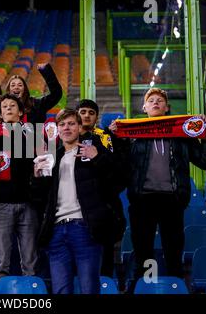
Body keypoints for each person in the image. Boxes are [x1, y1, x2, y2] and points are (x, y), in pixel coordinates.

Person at [109, 87, 206, 283]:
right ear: (144, 107)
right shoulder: (133, 135)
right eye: (151, 100)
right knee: (142, 251)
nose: (156, 103)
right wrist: (115, 138)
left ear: (167, 107)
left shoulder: (181, 135)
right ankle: (143, 287)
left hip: (172, 200)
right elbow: (119, 166)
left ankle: (174, 285)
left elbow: (205, 161)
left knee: (173, 251)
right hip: (142, 200)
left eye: (160, 101)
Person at [35, 108, 119, 294]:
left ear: (80, 127)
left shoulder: (94, 150)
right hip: (56, 231)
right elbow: (42, 198)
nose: (66, 128)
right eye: (62, 124)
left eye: (71, 123)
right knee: (60, 291)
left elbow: (116, 180)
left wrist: (97, 157)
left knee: (89, 289)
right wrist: (37, 179)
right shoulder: (51, 158)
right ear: (57, 129)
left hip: (85, 229)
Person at [0, 93, 39, 285]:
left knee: (30, 261)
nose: (8, 108)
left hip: (28, 203)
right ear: (0, 114)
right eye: (4, 107)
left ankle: (32, 296)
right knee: (0, 261)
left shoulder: (31, 135)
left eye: (12, 106)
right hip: (0, 205)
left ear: (20, 112)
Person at [76, 99, 127, 278]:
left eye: (91, 112)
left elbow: (119, 170)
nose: (87, 115)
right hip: (76, 208)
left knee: (105, 259)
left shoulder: (107, 139)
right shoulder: (67, 138)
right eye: (83, 112)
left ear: (96, 117)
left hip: (104, 206)